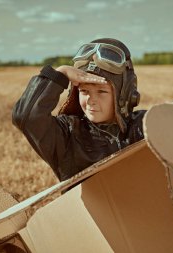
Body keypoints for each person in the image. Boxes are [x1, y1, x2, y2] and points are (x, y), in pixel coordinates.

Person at [12, 38, 146, 181]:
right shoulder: (68, 134)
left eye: (101, 92)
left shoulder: (141, 126)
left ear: (125, 95)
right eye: (84, 91)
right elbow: (28, 117)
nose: (90, 99)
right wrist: (59, 75)